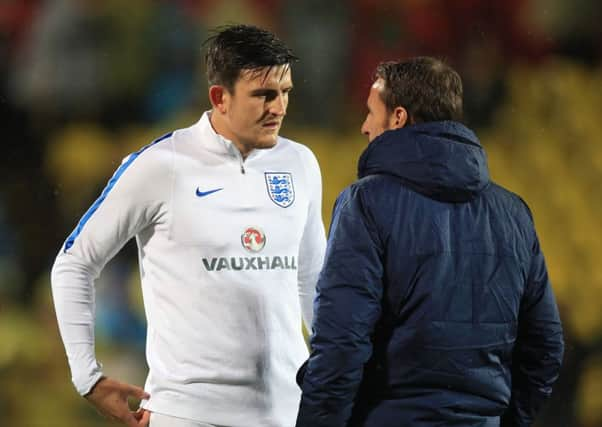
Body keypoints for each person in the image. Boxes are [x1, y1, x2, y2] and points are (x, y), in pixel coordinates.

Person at [51, 24, 326, 427]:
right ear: (220, 97)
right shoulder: (161, 165)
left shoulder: (300, 163)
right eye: (264, 95)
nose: (279, 107)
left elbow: (311, 275)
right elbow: (74, 263)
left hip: (289, 412)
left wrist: (338, 369)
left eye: (285, 92)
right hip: (188, 415)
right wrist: (87, 377)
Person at [295, 57, 564, 427]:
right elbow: (545, 347)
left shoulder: (366, 203)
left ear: (398, 118)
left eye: (371, 113)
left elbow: (341, 343)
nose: (363, 126)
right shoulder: (515, 213)